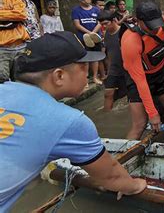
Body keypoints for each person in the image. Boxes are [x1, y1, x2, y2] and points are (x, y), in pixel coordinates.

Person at [0, 31, 146, 211]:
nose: (88, 72)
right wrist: (136, 185)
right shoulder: (67, 121)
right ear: (59, 76)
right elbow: (111, 177)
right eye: (84, 66)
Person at [121, 2, 164, 139]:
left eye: (157, 24)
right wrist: (152, 113)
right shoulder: (130, 41)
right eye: (151, 26)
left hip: (160, 72)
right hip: (139, 78)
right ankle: (124, 157)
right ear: (139, 21)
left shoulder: (161, 24)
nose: (156, 29)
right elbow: (140, 80)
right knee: (140, 124)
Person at [71, 0, 103, 85]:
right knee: (85, 58)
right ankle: (85, 80)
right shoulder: (76, 10)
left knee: (95, 57)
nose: (89, 0)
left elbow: (100, 22)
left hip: (95, 36)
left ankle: (95, 77)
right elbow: (77, 25)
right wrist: (89, 33)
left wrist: (93, 33)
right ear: (81, 0)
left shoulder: (96, 10)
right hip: (82, 37)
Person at [98, 10, 127, 111]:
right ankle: (106, 116)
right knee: (108, 94)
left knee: (127, 95)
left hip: (126, 70)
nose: (104, 27)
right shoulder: (106, 35)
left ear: (114, 20)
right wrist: (108, 72)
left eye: (106, 23)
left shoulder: (124, 33)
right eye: (102, 24)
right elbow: (109, 55)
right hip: (113, 70)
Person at [0, 0, 29, 83]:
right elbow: (17, 15)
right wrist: (12, 15)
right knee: (3, 82)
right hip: (2, 50)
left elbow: (21, 14)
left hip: (20, 47)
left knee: (22, 80)